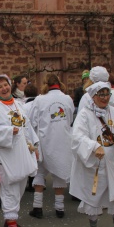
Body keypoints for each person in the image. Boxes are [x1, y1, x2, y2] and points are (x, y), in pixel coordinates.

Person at [70, 80, 114, 227]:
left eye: (107, 94)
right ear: (93, 96)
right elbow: (77, 137)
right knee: (93, 197)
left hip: (113, 162)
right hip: (96, 164)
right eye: (101, 94)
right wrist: (94, 146)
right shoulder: (84, 115)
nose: (105, 98)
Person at [0, 74, 38, 227]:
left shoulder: (18, 104)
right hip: (6, 154)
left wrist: (34, 145)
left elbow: (26, 126)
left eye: (5, 85)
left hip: (21, 152)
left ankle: (10, 221)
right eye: (0, 87)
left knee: (20, 186)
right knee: (10, 188)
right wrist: (7, 131)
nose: (4, 88)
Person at [28, 74, 74, 219]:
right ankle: (59, 208)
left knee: (40, 172)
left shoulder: (40, 99)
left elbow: (32, 120)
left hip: (44, 140)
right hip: (63, 140)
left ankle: (37, 207)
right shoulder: (67, 99)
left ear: (46, 84)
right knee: (60, 173)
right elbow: (71, 118)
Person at [23, 84, 39, 192]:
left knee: (30, 157)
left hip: (29, 134)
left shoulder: (23, 107)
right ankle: (39, 181)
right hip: (39, 134)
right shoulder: (39, 104)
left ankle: (32, 181)